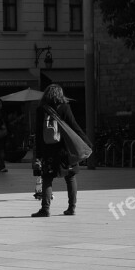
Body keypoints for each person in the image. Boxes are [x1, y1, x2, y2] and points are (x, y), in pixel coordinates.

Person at [32, 84, 91, 217]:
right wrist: (86, 142)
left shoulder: (41, 109)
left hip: (48, 150)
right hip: (65, 149)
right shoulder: (65, 107)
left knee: (47, 178)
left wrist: (39, 153)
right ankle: (71, 208)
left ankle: (45, 209)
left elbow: (38, 133)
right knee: (70, 177)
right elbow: (74, 126)